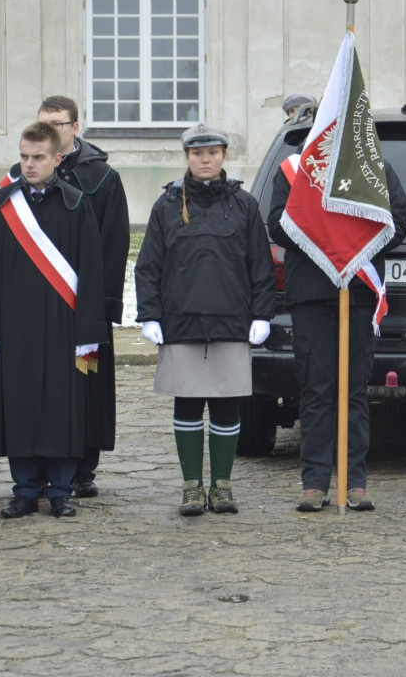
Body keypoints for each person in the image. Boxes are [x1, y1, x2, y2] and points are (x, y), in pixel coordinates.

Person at [134, 122, 275, 516]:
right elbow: (148, 266)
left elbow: (260, 267)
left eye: (212, 152)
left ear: (223, 156)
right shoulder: (166, 205)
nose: (205, 159)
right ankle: (192, 487)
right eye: (197, 153)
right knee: (188, 406)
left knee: (228, 407)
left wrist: (261, 314)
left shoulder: (244, 205)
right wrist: (149, 315)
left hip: (232, 322)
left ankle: (223, 486)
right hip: (181, 323)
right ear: (187, 157)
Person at [0, 122, 105, 519]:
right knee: (21, 406)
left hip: (63, 327)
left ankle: (61, 490)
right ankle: (25, 490)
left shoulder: (77, 204)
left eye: (38, 157)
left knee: (62, 407)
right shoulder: (0, 206)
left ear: (56, 159)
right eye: (24, 156)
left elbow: (91, 272)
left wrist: (88, 330)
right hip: (15, 327)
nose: (29, 164)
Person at [267, 141, 406, 513]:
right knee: (317, 389)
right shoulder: (293, 171)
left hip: (358, 293)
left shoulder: (373, 167)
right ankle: (314, 484)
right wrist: (325, 239)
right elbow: (278, 223)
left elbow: (398, 217)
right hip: (312, 296)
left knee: (355, 390)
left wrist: (358, 247)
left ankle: (355, 482)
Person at [32, 96, 129, 499]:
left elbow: (114, 245)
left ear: (75, 127)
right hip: (37, 307)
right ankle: (38, 463)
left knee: (85, 385)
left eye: (58, 123)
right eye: (44, 123)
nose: (51, 129)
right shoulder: (25, 174)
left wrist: (101, 303)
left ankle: (83, 467)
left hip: (83, 305)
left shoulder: (102, 178)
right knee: (40, 385)